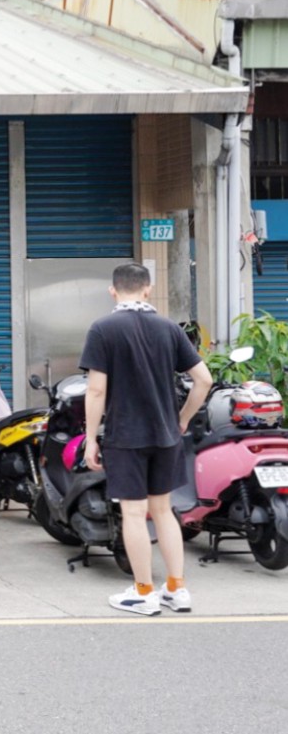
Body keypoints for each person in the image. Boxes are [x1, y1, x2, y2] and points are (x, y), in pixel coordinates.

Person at [80, 263, 211, 615]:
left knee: (134, 514)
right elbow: (203, 379)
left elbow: (95, 390)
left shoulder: (103, 328)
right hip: (166, 434)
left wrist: (91, 438)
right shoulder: (168, 327)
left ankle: (143, 591)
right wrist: (181, 419)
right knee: (164, 510)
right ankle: (176, 588)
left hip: (126, 435)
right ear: (148, 290)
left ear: (113, 291)